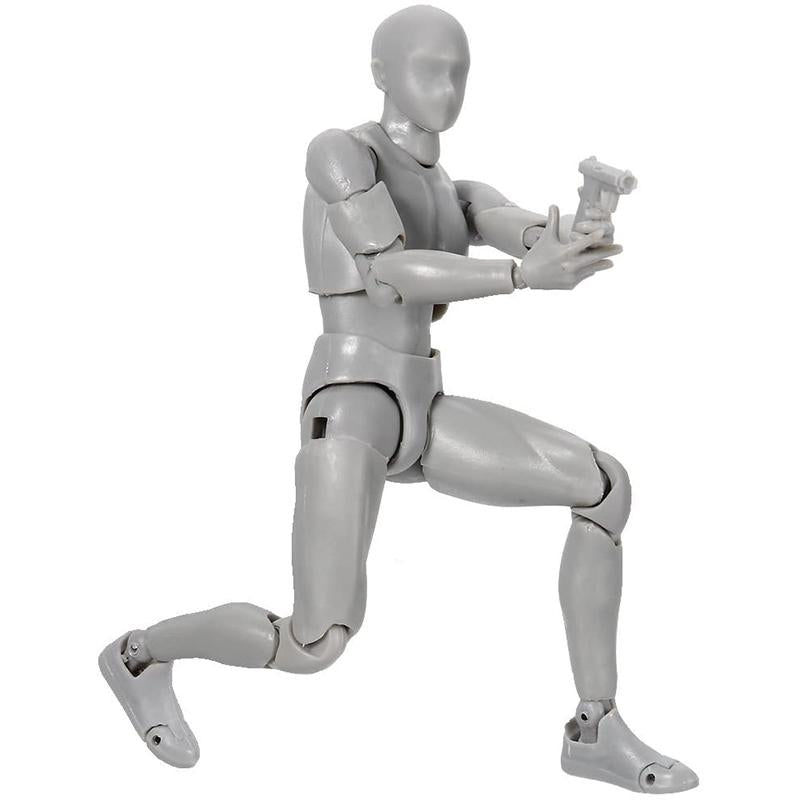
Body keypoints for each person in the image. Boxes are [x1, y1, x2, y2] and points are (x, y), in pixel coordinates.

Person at [100, 6, 698, 793]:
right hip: (352, 404)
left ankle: (594, 729)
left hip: (423, 401)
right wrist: (524, 276)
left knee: (604, 486)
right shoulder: (341, 153)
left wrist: (574, 233)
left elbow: (517, 226)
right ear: (381, 72)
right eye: (428, 69)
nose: (446, 88)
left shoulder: (454, 189)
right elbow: (389, 274)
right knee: (314, 641)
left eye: (459, 72)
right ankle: (140, 656)